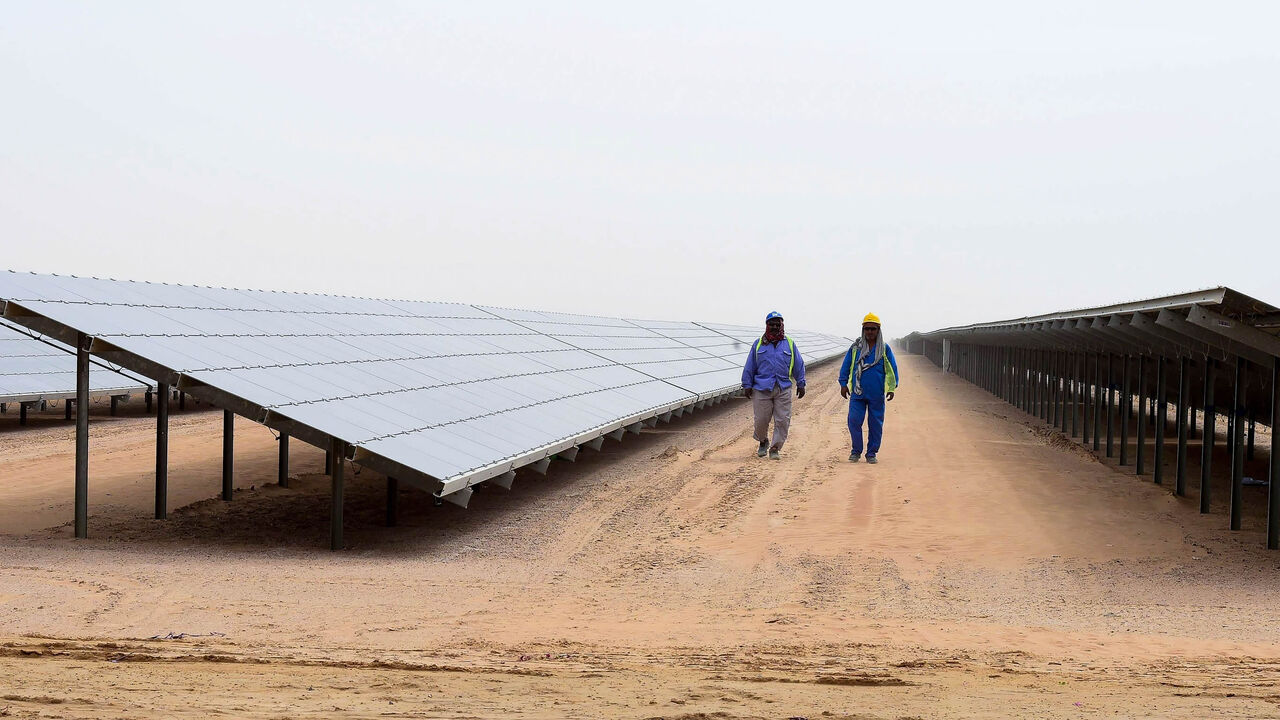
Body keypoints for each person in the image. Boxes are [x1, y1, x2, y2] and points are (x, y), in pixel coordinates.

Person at [742, 311, 806, 459]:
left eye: (778, 324)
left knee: (783, 420)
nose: (775, 327)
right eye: (772, 324)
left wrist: (801, 383)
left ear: (782, 325)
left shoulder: (789, 343)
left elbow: (798, 364)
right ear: (767, 325)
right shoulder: (758, 344)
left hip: (783, 388)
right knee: (761, 420)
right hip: (761, 388)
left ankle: (775, 448)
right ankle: (763, 441)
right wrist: (747, 384)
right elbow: (750, 365)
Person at [838, 313, 899, 464]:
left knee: (875, 424)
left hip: (876, 394)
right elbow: (846, 366)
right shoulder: (855, 348)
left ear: (878, 330)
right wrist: (843, 383)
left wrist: (891, 387)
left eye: (873, 329)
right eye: (867, 329)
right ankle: (856, 451)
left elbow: (892, 369)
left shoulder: (884, 349)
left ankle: (871, 453)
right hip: (858, 393)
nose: (870, 332)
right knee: (854, 421)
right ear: (863, 330)